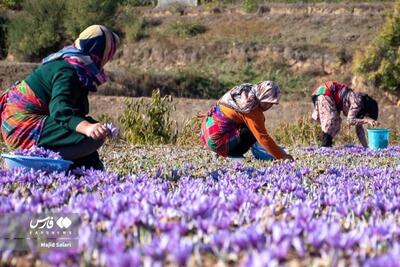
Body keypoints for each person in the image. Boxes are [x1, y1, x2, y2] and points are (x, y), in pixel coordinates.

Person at [0, 25, 120, 170]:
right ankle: (41, 161)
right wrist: (87, 128)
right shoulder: (68, 70)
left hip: (18, 123)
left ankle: (82, 169)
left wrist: (96, 167)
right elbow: (60, 109)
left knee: (89, 131)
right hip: (22, 127)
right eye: (108, 55)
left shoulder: (74, 64)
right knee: (92, 137)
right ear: (100, 53)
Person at [200, 81, 294, 161]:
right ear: (261, 97)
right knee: (252, 131)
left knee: (248, 126)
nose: (269, 107)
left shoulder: (245, 90)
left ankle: (220, 151)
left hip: (206, 131)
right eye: (267, 103)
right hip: (216, 141)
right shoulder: (252, 109)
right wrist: (282, 156)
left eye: (272, 104)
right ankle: (233, 154)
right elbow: (263, 138)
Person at [311, 81, 379, 147]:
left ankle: (327, 144)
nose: (365, 117)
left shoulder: (361, 110)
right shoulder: (358, 102)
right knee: (331, 119)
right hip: (325, 92)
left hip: (330, 97)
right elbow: (350, 121)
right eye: (368, 116)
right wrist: (367, 121)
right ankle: (325, 146)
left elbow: (359, 130)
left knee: (337, 123)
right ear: (368, 110)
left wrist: (365, 147)